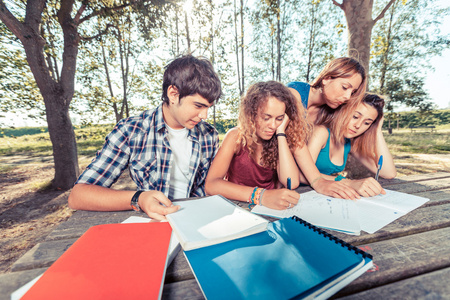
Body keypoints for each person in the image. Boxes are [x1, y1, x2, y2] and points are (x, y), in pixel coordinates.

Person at [68, 55, 222, 220]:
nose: (204, 115)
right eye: (198, 106)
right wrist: (139, 198)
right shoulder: (130, 130)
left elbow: (211, 187)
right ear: (173, 94)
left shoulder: (209, 135)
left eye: (208, 108)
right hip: (154, 223)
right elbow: (78, 196)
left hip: (198, 220)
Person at [205, 81, 358, 210]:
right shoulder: (235, 137)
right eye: (266, 118)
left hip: (272, 209)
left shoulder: (284, 136)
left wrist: (281, 134)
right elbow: (211, 185)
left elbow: (291, 181)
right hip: (237, 206)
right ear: (251, 114)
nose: (272, 125)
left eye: (279, 118)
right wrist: (261, 196)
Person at [306, 93, 397, 197]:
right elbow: (302, 174)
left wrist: (377, 130)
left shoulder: (349, 143)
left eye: (367, 123)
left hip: (319, 195)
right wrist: (347, 182)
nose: (358, 125)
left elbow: (389, 173)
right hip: (299, 193)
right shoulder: (321, 133)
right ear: (342, 110)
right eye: (355, 116)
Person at [287, 57, 367, 125]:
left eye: (353, 92)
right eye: (344, 87)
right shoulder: (295, 92)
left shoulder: (330, 114)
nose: (348, 97)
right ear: (326, 79)